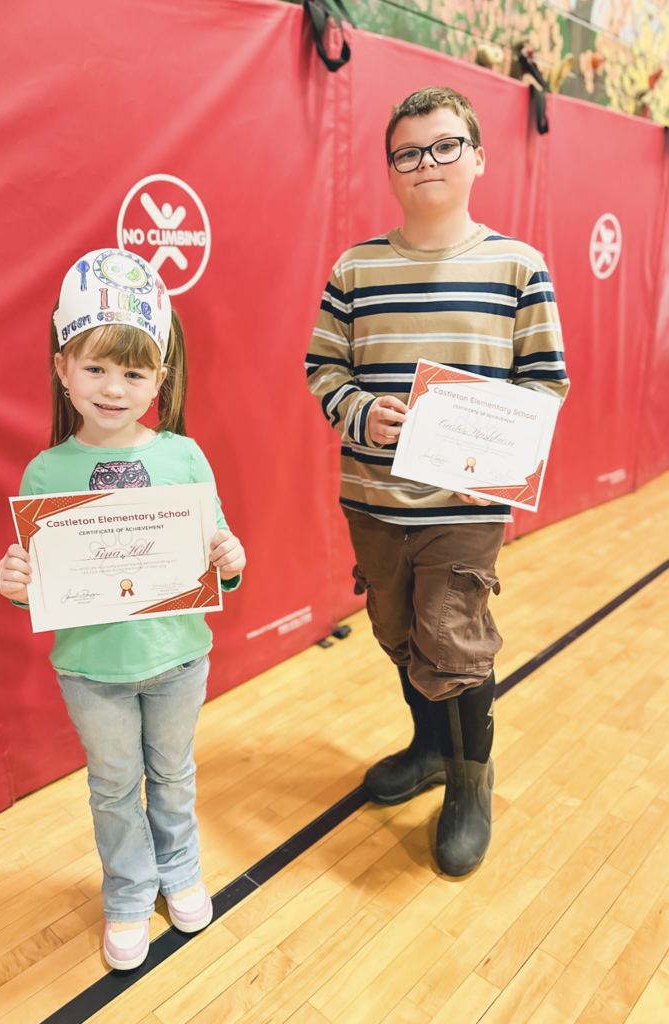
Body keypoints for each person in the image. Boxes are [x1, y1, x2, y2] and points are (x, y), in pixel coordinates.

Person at [306, 87, 570, 875]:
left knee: (453, 642)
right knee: (397, 632)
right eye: (408, 152)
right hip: (373, 498)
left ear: (477, 157)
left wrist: (484, 449)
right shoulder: (355, 269)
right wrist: (358, 413)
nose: (426, 162)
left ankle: (469, 785)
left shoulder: (517, 266)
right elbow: (323, 368)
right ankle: (427, 749)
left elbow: (545, 384)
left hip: (465, 504)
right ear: (390, 170)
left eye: (444, 145)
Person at [0, 249, 246, 970]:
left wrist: (230, 560)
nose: (113, 388)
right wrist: (17, 579)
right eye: (96, 368)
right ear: (62, 369)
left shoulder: (184, 455)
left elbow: (216, 549)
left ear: (158, 381)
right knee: (112, 787)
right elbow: (40, 577)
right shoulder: (46, 472)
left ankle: (181, 870)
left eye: (133, 373)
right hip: (90, 670)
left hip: (177, 658)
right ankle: (130, 894)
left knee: (173, 775)